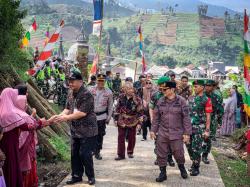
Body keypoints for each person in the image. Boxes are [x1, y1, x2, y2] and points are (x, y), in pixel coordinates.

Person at [50, 71, 98, 185]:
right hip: (75, 129)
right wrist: (59, 116)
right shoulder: (70, 92)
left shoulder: (87, 94)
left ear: (80, 82)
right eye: (69, 81)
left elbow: (82, 113)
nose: (70, 84)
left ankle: (91, 176)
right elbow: (67, 108)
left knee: (85, 154)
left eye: (73, 81)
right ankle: (76, 176)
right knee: (74, 153)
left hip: (87, 130)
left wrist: (65, 118)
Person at [0, 88, 48, 187]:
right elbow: (27, 127)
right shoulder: (10, 114)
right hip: (11, 144)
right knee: (11, 165)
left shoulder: (1, 111)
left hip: (3, 144)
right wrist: (40, 122)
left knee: (4, 165)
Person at [150, 81, 192, 182]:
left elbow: (186, 118)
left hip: (177, 133)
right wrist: (153, 130)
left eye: (165, 89)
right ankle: (163, 173)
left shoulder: (181, 101)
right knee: (161, 153)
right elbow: (156, 118)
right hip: (163, 132)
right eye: (162, 89)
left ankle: (182, 168)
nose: (162, 91)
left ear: (172, 89)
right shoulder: (160, 101)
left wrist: (187, 133)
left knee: (178, 153)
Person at [187, 80, 212, 176]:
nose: (195, 88)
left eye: (196, 86)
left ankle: (196, 168)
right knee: (188, 146)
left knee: (196, 148)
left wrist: (207, 130)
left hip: (199, 127)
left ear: (202, 87)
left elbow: (208, 116)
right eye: (194, 86)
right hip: (188, 127)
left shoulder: (206, 99)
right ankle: (194, 163)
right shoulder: (191, 98)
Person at [149, 76, 175, 167]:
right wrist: (152, 120)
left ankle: (170, 158)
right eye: (160, 85)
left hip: (171, 122)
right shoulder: (155, 95)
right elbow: (151, 108)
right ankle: (159, 158)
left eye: (163, 85)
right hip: (159, 122)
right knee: (159, 141)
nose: (161, 87)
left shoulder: (173, 94)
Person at [113, 82, 143, 160]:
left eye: (131, 88)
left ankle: (130, 152)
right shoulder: (121, 97)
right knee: (121, 137)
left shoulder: (137, 99)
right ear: (125, 89)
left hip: (133, 120)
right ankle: (121, 155)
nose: (130, 90)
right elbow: (117, 109)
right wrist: (116, 119)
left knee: (132, 137)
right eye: (128, 88)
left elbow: (140, 112)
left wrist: (139, 122)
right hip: (122, 119)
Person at [88, 74, 113, 160]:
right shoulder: (90, 90)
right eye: (99, 80)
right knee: (91, 134)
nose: (101, 82)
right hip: (91, 115)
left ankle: (97, 151)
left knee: (100, 135)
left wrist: (109, 117)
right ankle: (91, 149)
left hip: (102, 116)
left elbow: (110, 106)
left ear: (105, 81)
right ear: (97, 81)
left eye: (103, 81)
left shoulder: (108, 92)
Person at [202, 80, 224, 164]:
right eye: (206, 85)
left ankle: (205, 155)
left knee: (208, 139)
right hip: (200, 120)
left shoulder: (216, 97)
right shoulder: (201, 96)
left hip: (211, 121)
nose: (207, 87)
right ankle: (196, 155)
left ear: (213, 87)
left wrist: (219, 122)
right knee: (198, 138)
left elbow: (220, 110)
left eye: (209, 86)